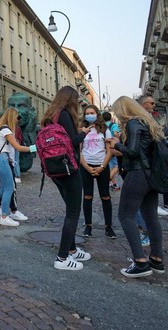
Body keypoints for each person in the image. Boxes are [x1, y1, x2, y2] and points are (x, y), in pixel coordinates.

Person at [106, 96, 165, 278]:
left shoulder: (133, 124)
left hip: (138, 174)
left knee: (125, 215)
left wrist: (117, 145)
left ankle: (140, 262)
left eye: (117, 111)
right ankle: (156, 259)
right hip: (151, 174)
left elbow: (132, 151)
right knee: (151, 217)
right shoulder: (147, 122)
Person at [41, 87, 91, 270]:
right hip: (69, 168)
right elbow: (73, 140)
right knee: (73, 212)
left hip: (55, 169)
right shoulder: (64, 115)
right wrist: (84, 132)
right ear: (71, 100)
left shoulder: (50, 116)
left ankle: (71, 250)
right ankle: (62, 258)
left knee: (71, 207)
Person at [0, 108, 36, 227]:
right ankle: (4, 216)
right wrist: (35, 148)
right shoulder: (6, 130)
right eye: (16, 117)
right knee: (9, 188)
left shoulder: (0, 128)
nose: (17, 120)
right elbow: (18, 147)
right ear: (11, 117)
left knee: (3, 188)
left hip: (0, 160)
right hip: (2, 160)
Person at [137, 95, 168, 215]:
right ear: (144, 104)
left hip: (160, 149)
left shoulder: (152, 116)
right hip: (150, 152)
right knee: (153, 177)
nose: (154, 105)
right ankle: (153, 205)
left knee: (166, 173)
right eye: (152, 103)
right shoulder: (139, 118)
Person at [78, 105, 117, 239]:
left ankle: (109, 227)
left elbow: (109, 150)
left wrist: (102, 166)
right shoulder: (82, 130)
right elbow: (79, 151)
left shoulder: (105, 130)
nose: (89, 115)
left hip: (102, 165)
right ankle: (88, 226)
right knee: (87, 196)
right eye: (87, 113)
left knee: (105, 196)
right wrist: (87, 167)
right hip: (86, 166)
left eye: (92, 112)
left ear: (97, 114)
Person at [102, 112, 121, 191]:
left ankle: (113, 183)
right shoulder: (113, 125)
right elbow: (115, 134)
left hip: (104, 147)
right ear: (110, 118)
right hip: (113, 147)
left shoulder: (102, 126)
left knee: (110, 166)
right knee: (118, 165)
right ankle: (107, 180)